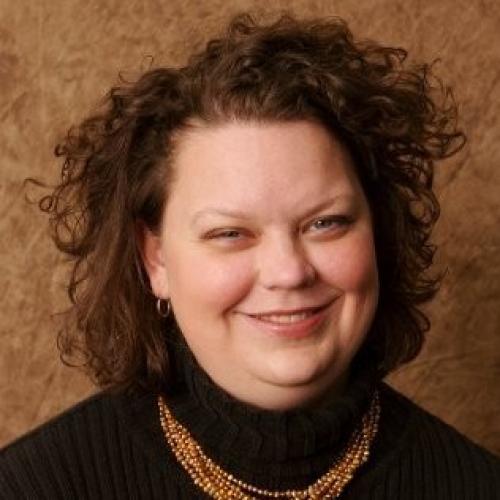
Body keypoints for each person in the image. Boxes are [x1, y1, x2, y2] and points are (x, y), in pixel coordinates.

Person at [1, 12, 499, 500]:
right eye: (230, 233)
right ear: (155, 260)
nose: (289, 272)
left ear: (378, 231)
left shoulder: (477, 485)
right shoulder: (31, 486)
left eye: (325, 223)